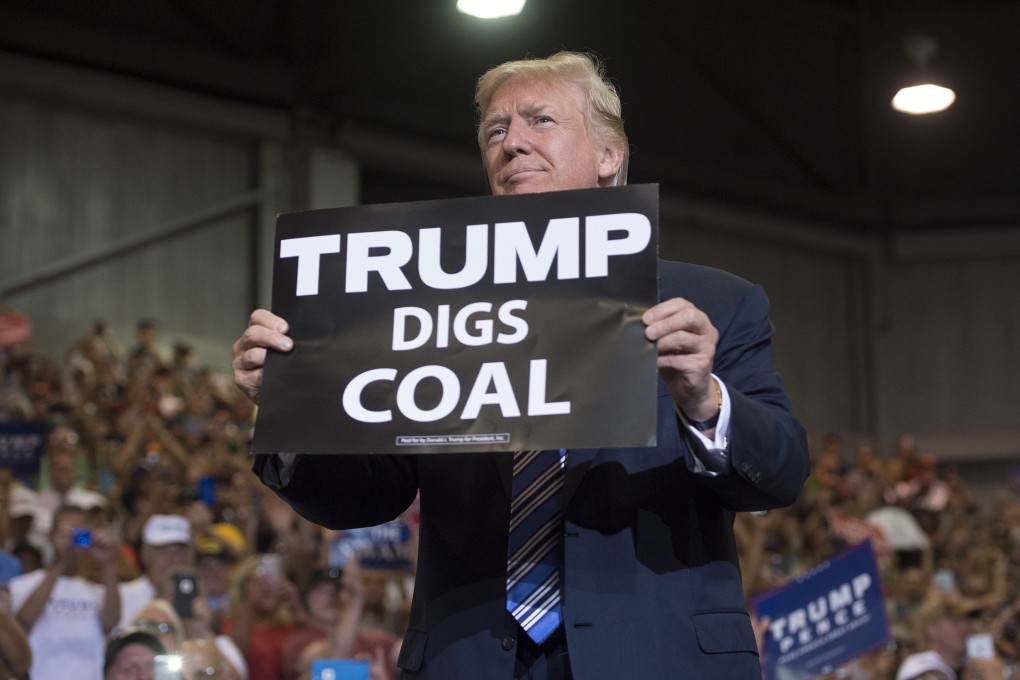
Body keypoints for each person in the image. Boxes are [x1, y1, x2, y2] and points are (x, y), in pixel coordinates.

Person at [232, 51, 809, 679]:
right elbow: (367, 494)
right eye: (496, 131)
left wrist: (704, 401)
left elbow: (779, 472)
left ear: (608, 156)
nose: (513, 143)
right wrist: (288, 406)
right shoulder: (424, 305)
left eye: (540, 120)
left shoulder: (715, 304)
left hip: (656, 657)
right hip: (470, 659)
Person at [9, 504, 121, 680]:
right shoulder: (23, 584)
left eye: (79, 533)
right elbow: (23, 622)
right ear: (51, 536)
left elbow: (110, 623)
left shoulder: (93, 589)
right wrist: (60, 563)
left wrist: (107, 564)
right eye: (67, 533)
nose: (72, 539)